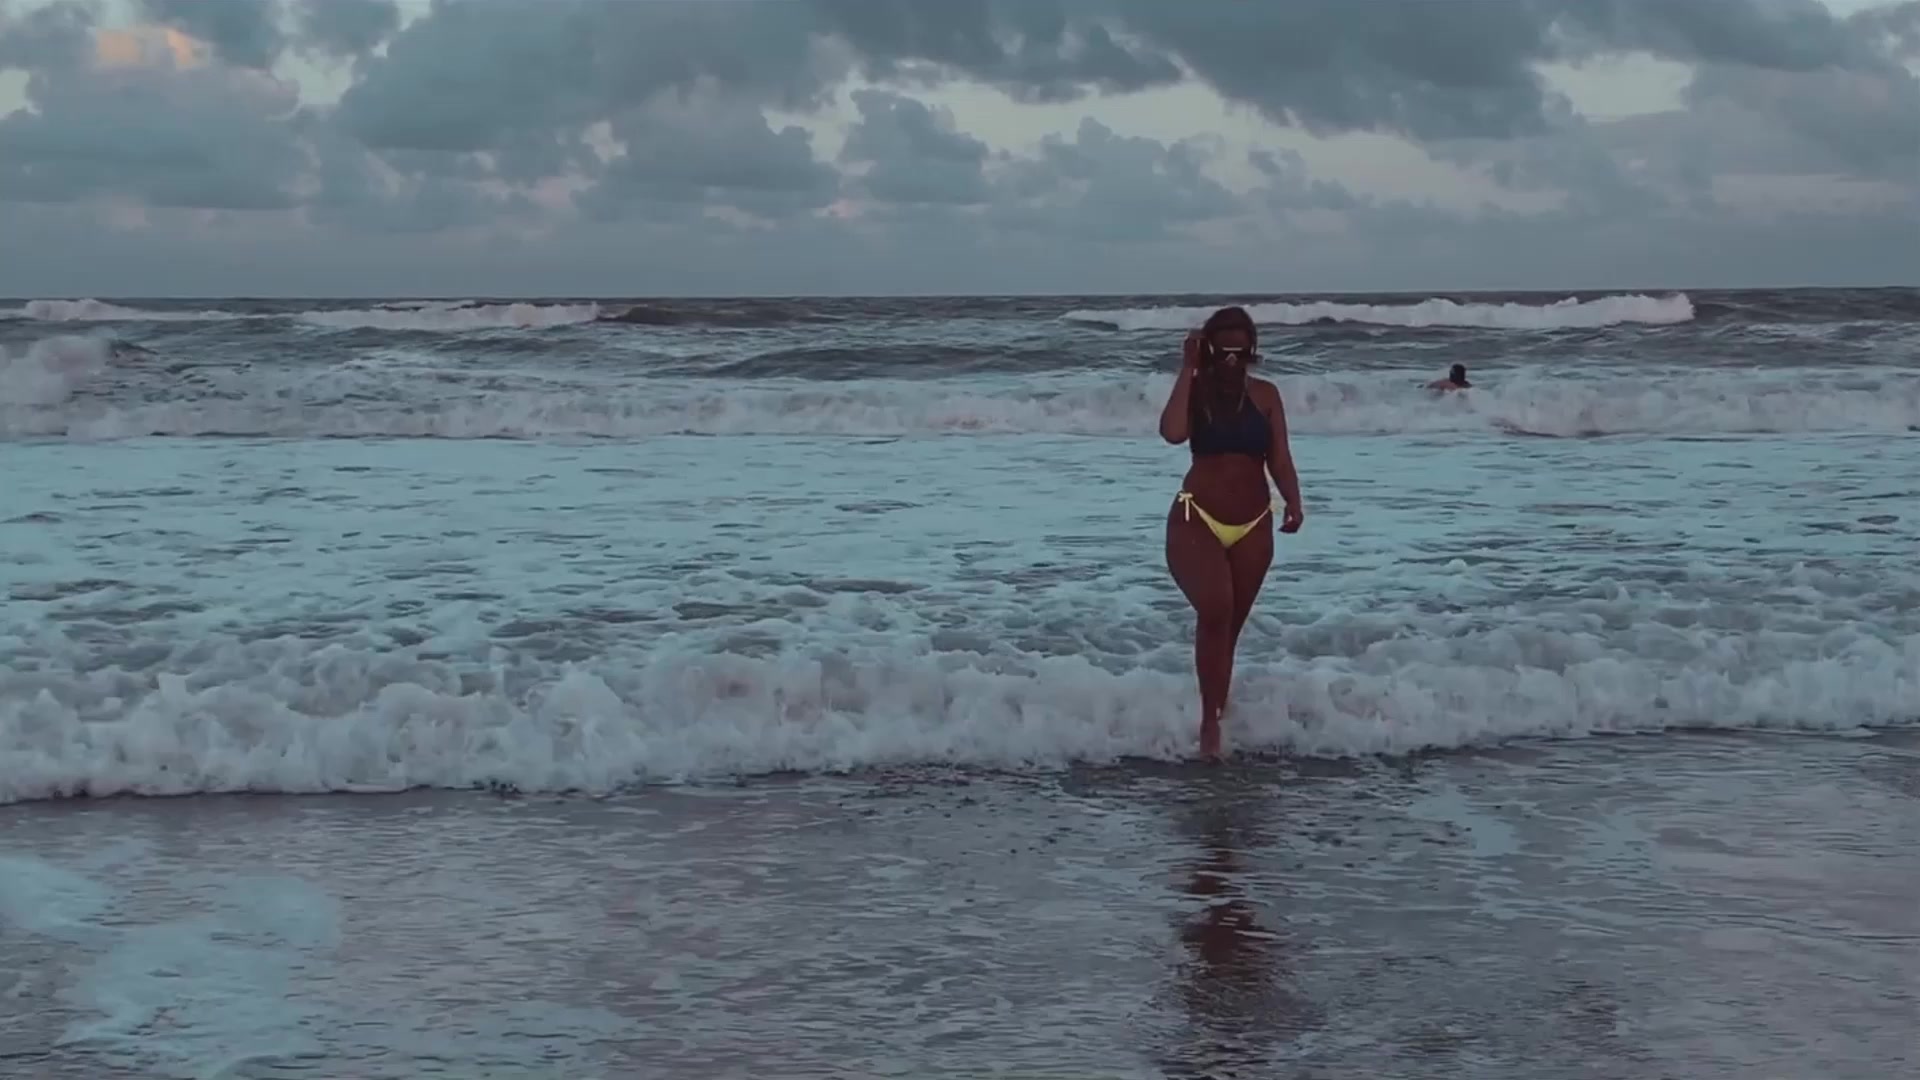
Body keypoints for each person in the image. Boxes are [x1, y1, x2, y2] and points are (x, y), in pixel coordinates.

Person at [1157, 306, 1303, 759]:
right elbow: (1172, 433)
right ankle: (1208, 724)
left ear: (1252, 349)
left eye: (1241, 350)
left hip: (1254, 522)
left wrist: (1294, 500)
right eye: (1224, 350)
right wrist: (1188, 367)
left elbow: (1279, 458)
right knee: (1216, 610)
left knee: (1230, 627)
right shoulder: (1197, 390)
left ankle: (1218, 711)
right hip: (1196, 516)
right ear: (1209, 349)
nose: (1233, 359)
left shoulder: (1266, 395)